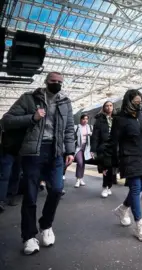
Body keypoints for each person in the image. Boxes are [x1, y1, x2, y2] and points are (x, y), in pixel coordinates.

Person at [2, 71, 75, 255]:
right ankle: (28, 236)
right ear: (45, 81)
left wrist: (70, 150)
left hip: (56, 152)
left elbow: (68, 129)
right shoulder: (28, 99)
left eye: (59, 81)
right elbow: (7, 120)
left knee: (57, 189)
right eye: (53, 81)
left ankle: (46, 225)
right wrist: (32, 117)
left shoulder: (65, 102)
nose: (56, 83)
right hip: (33, 152)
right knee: (31, 195)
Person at [111, 89, 142, 241]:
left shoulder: (141, 115)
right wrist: (113, 163)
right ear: (128, 102)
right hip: (129, 157)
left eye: (140, 102)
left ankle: (122, 209)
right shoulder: (119, 119)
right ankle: (139, 225)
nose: (139, 105)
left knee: (140, 188)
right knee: (135, 188)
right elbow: (114, 141)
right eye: (136, 102)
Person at [91, 101, 116, 198]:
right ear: (104, 108)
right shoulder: (99, 120)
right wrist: (93, 149)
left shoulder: (116, 119)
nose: (109, 107)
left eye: (111, 105)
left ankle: (108, 186)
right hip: (104, 147)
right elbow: (95, 136)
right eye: (107, 106)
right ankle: (105, 186)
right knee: (106, 167)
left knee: (111, 168)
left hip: (114, 147)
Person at [73, 114, 93, 188]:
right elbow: (72, 137)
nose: (85, 120)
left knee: (83, 163)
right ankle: (78, 179)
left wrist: (91, 134)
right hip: (78, 147)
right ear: (80, 120)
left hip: (86, 148)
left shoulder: (90, 127)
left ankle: (81, 178)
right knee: (80, 162)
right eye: (84, 119)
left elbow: (95, 136)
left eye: (87, 119)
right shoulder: (76, 127)